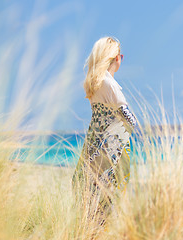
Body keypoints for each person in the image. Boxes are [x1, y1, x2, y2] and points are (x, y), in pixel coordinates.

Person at [72, 36, 137, 224]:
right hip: (112, 148)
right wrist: (116, 147)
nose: (121, 59)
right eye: (120, 56)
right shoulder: (110, 85)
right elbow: (129, 120)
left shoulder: (93, 83)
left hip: (94, 143)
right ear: (115, 58)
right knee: (110, 197)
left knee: (91, 194)